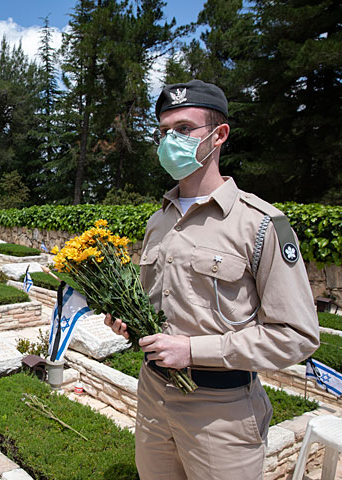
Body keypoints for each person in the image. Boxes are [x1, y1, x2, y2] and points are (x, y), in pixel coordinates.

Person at [104, 79, 320, 479]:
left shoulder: (260, 224)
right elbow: (156, 308)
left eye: (184, 129)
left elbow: (297, 334)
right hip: (153, 397)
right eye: (164, 131)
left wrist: (193, 350)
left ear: (219, 135)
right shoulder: (158, 221)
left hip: (222, 413)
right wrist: (129, 324)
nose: (170, 141)